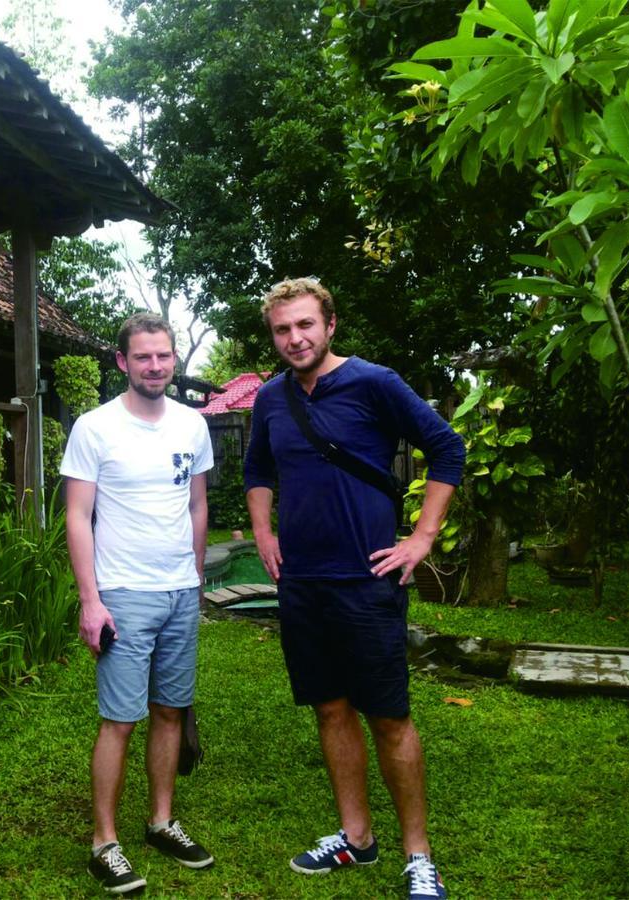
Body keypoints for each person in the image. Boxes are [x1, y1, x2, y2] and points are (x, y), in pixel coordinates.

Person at [243, 278, 464, 900]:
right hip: (302, 584)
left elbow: (447, 449)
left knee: (389, 717)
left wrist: (421, 539)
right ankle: (356, 837)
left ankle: (417, 854)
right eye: (283, 330)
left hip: (368, 581)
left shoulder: (374, 382)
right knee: (330, 707)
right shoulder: (268, 399)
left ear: (330, 324)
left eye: (305, 325)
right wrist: (263, 534)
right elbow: (258, 467)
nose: (295, 338)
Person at [61, 312, 216, 894]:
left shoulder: (192, 426)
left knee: (172, 709)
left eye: (164, 355)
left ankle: (161, 820)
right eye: (143, 357)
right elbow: (78, 515)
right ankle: (104, 842)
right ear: (123, 362)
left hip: (179, 591)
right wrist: (90, 600)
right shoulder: (95, 427)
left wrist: (195, 577)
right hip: (123, 594)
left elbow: (198, 505)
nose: (155, 366)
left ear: (175, 359)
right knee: (120, 719)